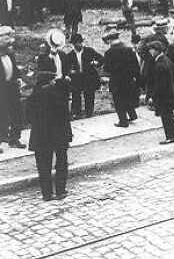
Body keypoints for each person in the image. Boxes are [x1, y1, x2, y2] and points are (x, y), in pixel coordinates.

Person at [27, 71, 72, 201]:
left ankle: (47, 194)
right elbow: (65, 117)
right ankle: (60, 190)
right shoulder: (58, 96)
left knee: (43, 167)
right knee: (61, 163)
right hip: (58, 136)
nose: (54, 82)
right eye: (52, 80)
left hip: (40, 138)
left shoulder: (33, 97)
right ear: (48, 82)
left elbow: (28, 118)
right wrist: (68, 136)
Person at [104, 35, 140, 127]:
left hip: (116, 80)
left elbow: (107, 69)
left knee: (118, 101)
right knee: (127, 97)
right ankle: (132, 115)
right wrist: (136, 78)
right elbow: (135, 65)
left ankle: (123, 121)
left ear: (110, 41)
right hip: (128, 79)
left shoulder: (109, 52)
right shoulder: (128, 50)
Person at [66, 34, 103, 119]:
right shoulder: (70, 55)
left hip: (89, 77)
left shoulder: (89, 51)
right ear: (73, 44)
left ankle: (89, 113)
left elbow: (101, 58)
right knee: (76, 95)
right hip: (77, 78)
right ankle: (77, 113)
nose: (79, 45)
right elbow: (66, 67)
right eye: (76, 43)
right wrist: (70, 72)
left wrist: (96, 62)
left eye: (80, 42)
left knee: (89, 95)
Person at [149, 41, 174, 144]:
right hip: (171, 92)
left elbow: (159, 84)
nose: (150, 51)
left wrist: (152, 96)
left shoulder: (159, 65)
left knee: (165, 115)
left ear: (157, 51)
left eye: (152, 49)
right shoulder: (166, 60)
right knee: (169, 114)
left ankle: (170, 137)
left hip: (164, 95)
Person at [0, 27, 24, 150]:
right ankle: (2, 140)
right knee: (2, 114)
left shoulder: (10, 55)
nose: (9, 46)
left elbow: (15, 70)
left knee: (16, 113)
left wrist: (18, 78)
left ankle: (15, 138)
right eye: (6, 44)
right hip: (2, 90)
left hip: (12, 88)